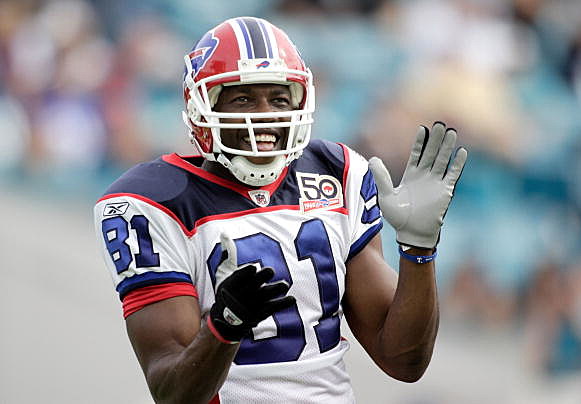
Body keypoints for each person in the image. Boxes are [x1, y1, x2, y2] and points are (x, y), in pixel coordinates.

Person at [93, 16, 467, 404]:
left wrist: (419, 248)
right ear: (201, 106)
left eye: (278, 98)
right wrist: (226, 324)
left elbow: (404, 362)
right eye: (243, 98)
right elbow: (173, 394)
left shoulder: (337, 173)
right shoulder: (153, 203)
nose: (265, 114)